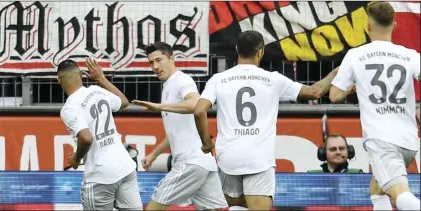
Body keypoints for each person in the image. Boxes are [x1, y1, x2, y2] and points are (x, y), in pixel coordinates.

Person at [193, 30, 340, 210]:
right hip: (258, 158)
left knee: (237, 207)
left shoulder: (218, 79)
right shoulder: (273, 79)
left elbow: (199, 110)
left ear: (237, 49)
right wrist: (336, 71)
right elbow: (315, 91)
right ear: (260, 51)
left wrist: (206, 142)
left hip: (228, 157)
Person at [329, 2, 420, 210]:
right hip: (408, 141)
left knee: (401, 195)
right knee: (377, 188)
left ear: (368, 26)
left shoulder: (355, 55)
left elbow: (334, 95)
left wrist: (352, 85)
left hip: (381, 139)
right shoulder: (410, 55)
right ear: (394, 26)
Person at [131, 42, 227, 210]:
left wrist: (158, 107)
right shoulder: (168, 85)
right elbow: (175, 132)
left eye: (159, 60)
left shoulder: (181, 79)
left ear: (171, 58)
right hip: (203, 163)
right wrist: (154, 154)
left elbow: (195, 104)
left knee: (153, 208)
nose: (155, 66)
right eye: (151, 62)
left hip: (190, 162)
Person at [59, 58, 143, 210]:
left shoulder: (69, 108)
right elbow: (124, 102)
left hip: (101, 176)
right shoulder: (96, 90)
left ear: (59, 80)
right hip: (125, 168)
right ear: (80, 74)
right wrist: (101, 78)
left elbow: (86, 138)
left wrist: (76, 159)